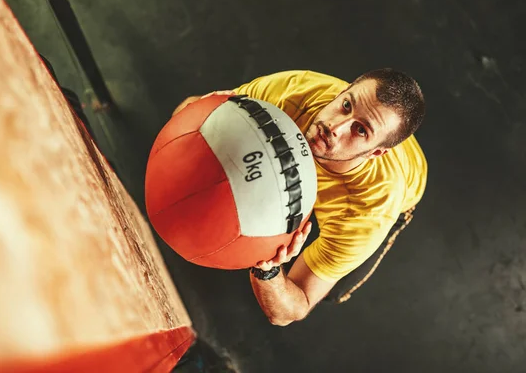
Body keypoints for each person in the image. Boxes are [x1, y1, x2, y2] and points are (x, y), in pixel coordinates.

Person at [174, 69, 427, 326]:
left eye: (360, 130)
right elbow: (191, 111)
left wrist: (268, 268)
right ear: (341, 92)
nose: (334, 128)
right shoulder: (293, 92)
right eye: (346, 105)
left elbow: (289, 311)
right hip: (333, 139)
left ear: (375, 153)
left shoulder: (366, 213)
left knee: (331, 289)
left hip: (400, 188)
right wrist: (199, 116)